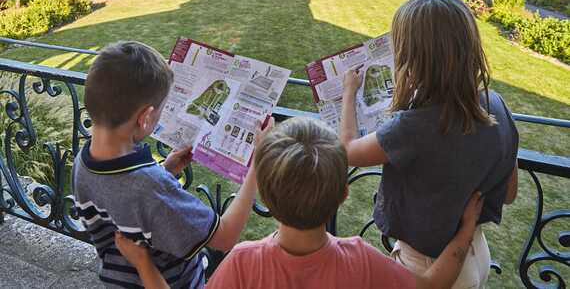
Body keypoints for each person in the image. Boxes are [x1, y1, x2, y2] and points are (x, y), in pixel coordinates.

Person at [115, 117, 485, 289]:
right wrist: (465, 230)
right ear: (342, 195)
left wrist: (144, 264)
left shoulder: (244, 263)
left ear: (268, 202)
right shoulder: (362, 261)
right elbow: (431, 287)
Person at [340, 0, 519, 289]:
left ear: (415, 58)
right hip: (476, 252)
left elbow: (347, 151)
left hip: (427, 267)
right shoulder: (496, 105)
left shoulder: (412, 128)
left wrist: (349, 92)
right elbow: (510, 192)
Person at [72, 41, 270, 289]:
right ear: (144, 118)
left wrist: (165, 170)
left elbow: (124, 204)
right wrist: (257, 162)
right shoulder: (151, 187)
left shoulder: (83, 162)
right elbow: (225, 236)